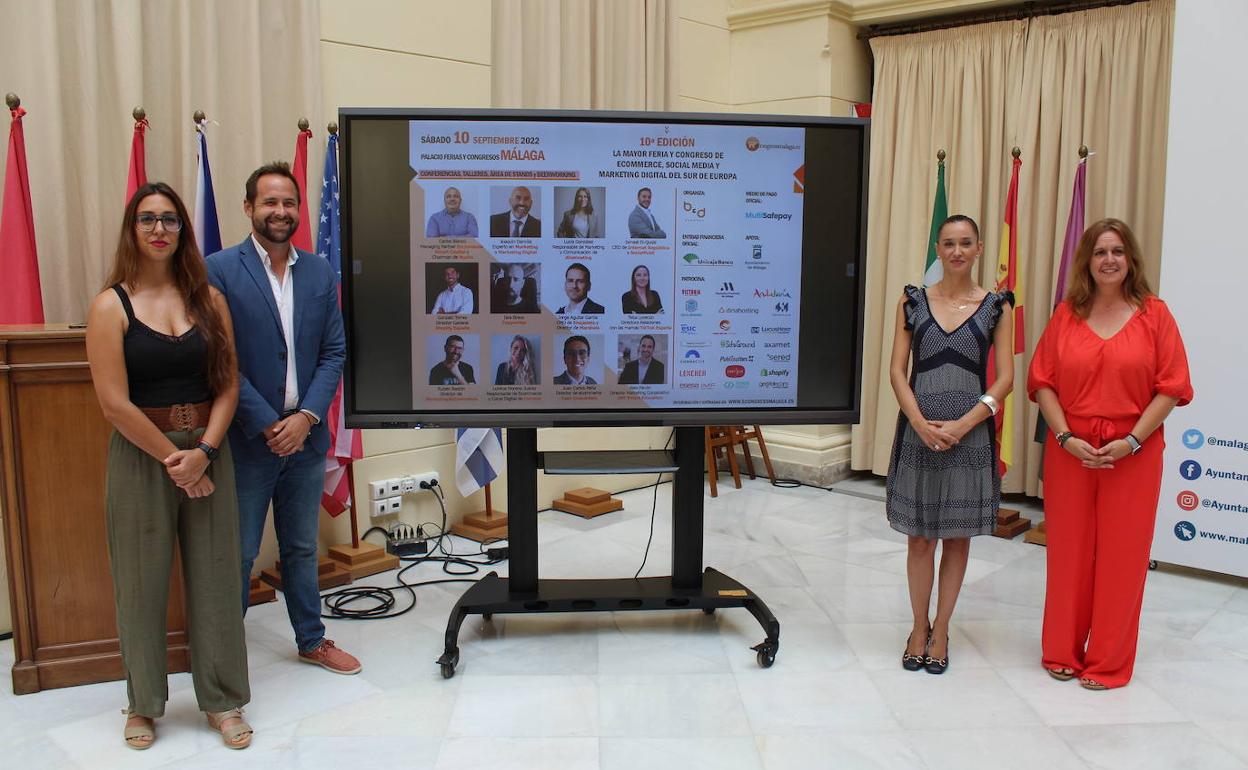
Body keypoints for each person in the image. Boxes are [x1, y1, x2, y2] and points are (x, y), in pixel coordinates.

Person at [86, 182, 252, 750]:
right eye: (147, 219)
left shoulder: (210, 299)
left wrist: (203, 451)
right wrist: (174, 460)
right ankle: (142, 705)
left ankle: (223, 699)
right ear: (133, 229)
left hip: (209, 447)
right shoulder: (112, 305)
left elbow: (228, 385)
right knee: (140, 582)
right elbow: (112, 402)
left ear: (183, 231)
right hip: (142, 456)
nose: (160, 229)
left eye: (171, 220)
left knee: (216, 579)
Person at [206, 162, 361, 677]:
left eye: (288, 203)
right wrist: (271, 422)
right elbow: (220, 357)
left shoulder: (318, 271)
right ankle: (224, 657)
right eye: (269, 202)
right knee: (240, 553)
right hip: (251, 440)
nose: (280, 211)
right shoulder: (219, 270)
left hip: (306, 438)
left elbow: (335, 351)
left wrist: (307, 418)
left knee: (299, 546)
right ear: (249, 208)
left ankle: (311, 639)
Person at [1028, 218, 1192, 690]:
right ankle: (1061, 649)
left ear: (1131, 258)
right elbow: (1042, 383)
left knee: (1123, 558)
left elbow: (1172, 388)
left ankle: (1108, 663)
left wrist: (1133, 441)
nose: (1109, 260)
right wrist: (1063, 438)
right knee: (1068, 554)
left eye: (1117, 251)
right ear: (1087, 260)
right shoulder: (1067, 314)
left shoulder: (1155, 315)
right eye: (1100, 252)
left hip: (1134, 452)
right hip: (1071, 450)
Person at [885, 214, 1014, 676]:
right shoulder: (912, 301)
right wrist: (919, 422)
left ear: (979, 248)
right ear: (937, 250)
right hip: (919, 435)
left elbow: (1005, 379)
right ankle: (918, 627)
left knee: (957, 539)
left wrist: (963, 424)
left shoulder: (997, 305)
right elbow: (899, 371)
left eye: (966, 243)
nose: (957, 251)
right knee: (920, 539)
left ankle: (942, 629)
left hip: (970, 437)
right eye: (948, 243)